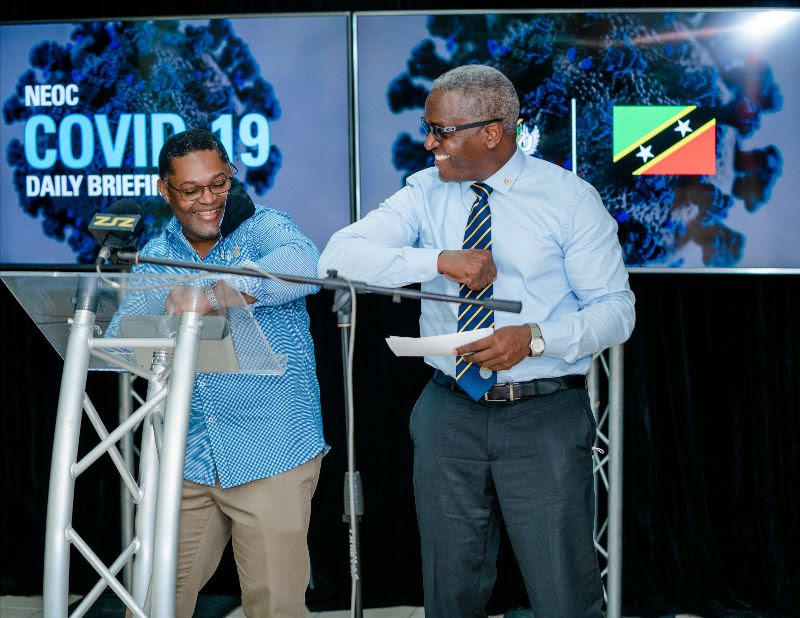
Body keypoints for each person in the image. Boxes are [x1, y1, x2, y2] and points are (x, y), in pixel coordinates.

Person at [318, 65, 635, 617]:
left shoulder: (568, 200)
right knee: (450, 588)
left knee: (561, 586)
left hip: (542, 413)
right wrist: (437, 260)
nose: (429, 143)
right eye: (428, 128)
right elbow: (337, 257)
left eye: (441, 131)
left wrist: (534, 339)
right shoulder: (424, 191)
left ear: (492, 132)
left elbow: (616, 311)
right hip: (449, 410)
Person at [123, 128, 327, 617]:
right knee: (151, 604)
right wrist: (162, 311)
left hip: (272, 451)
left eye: (219, 183)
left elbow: (304, 265)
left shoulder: (265, 227)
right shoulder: (156, 255)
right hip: (190, 456)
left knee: (275, 607)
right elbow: (123, 336)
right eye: (191, 190)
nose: (209, 200)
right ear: (164, 190)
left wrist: (213, 293)